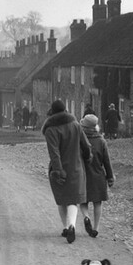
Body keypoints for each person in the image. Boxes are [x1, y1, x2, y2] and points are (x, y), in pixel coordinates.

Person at [42, 99, 92, 243]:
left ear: (52, 112)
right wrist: (88, 157)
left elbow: (54, 153)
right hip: (76, 167)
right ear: (65, 110)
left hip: (60, 169)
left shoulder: (50, 130)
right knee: (73, 200)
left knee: (61, 199)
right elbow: (86, 146)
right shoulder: (76, 124)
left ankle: (66, 227)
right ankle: (71, 226)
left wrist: (58, 170)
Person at [78, 113, 115, 238]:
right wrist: (110, 177)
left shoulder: (80, 140)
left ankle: (86, 217)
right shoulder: (101, 141)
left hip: (83, 174)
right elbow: (107, 161)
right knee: (97, 202)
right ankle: (96, 228)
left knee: (83, 201)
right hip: (98, 175)